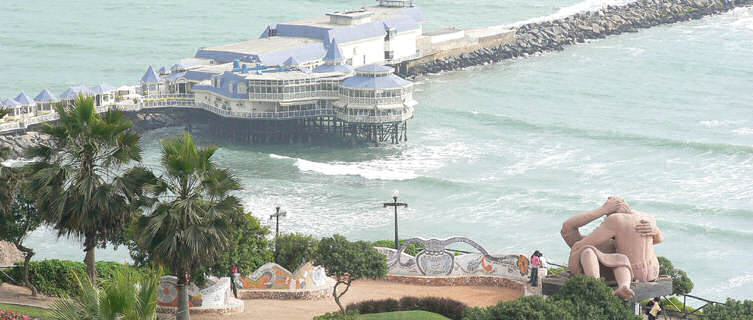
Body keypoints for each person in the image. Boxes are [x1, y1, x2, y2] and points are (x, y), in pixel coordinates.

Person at [561, 196, 663, 300]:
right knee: (607, 256)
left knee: (593, 253)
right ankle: (621, 286)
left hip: (629, 272)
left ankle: (600, 286)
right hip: (652, 271)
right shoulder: (647, 217)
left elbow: (569, 230)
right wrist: (655, 230)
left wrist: (603, 210)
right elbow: (657, 240)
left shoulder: (610, 227)